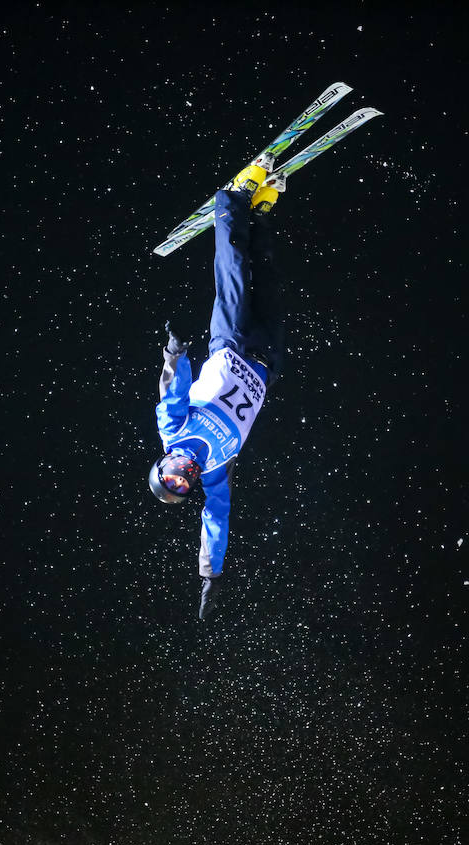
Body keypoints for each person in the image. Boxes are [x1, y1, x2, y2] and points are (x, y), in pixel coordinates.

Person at [149, 156, 287, 620]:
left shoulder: (174, 431)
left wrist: (174, 354)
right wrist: (210, 574)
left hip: (229, 345)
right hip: (265, 363)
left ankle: (233, 199)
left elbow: (172, 391)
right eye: (182, 485)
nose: (183, 476)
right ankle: (263, 211)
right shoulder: (215, 472)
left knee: (231, 280)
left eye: (171, 476)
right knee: (265, 282)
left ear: (163, 463)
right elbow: (216, 520)